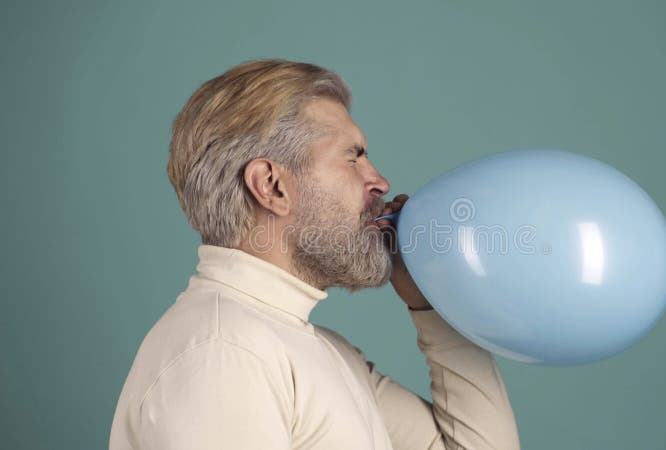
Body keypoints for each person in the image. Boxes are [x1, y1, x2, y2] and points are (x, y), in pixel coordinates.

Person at [109, 60, 520, 450]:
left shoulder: (309, 347)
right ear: (271, 186)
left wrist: (427, 299)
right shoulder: (225, 351)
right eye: (353, 156)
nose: (379, 181)